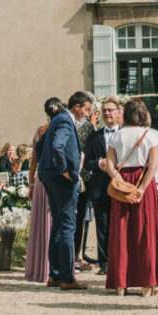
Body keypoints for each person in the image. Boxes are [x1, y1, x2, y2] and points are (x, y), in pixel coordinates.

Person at [101, 98, 158, 297]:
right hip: (143, 182)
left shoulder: (117, 135)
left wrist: (121, 182)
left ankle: (121, 284)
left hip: (123, 182)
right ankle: (146, 284)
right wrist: (141, 189)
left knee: (121, 231)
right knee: (145, 230)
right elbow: (153, 165)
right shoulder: (151, 134)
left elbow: (110, 164)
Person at [40, 92, 94, 290]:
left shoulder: (57, 119)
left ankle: (55, 275)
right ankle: (66, 278)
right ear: (77, 106)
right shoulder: (64, 120)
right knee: (67, 225)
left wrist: (47, 167)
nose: (88, 114)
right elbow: (57, 146)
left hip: (49, 176)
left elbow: (40, 145)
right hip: (62, 179)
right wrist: (64, 170)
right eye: (86, 109)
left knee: (58, 224)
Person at [81, 99, 121, 271]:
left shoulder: (125, 134)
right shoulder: (94, 136)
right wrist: (99, 163)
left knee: (120, 225)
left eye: (110, 110)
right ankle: (105, 264)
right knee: (102, 225)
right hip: (99, 186)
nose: (107, 113)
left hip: (120, 185)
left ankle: (120, 261)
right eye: (104, 110)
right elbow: (87, 162)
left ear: (118, 112)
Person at [24, 105, 56, 284]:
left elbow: (33, 163)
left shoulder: (39, 131)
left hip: (39, 181)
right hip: (55, 180)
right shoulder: (60, 130)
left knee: (39, 224)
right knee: (54, 224)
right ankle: (52, 268)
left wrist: (30, 185)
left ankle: (38, 268)